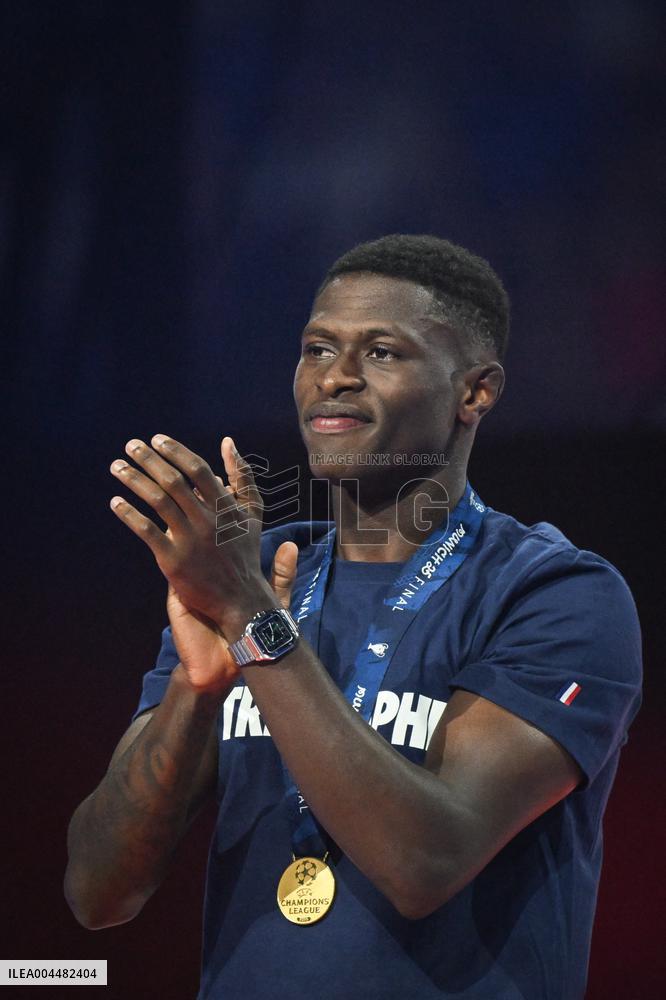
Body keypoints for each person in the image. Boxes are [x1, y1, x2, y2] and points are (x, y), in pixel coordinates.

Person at [65, 234, 642, 999]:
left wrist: (253, 620)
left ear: (475, 392)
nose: (334, 376)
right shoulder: (261, 573)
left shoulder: (555, 594)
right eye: (317, 348)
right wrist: (194, 690)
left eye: (381, 352)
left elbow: (425, 861)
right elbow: (97, 892)